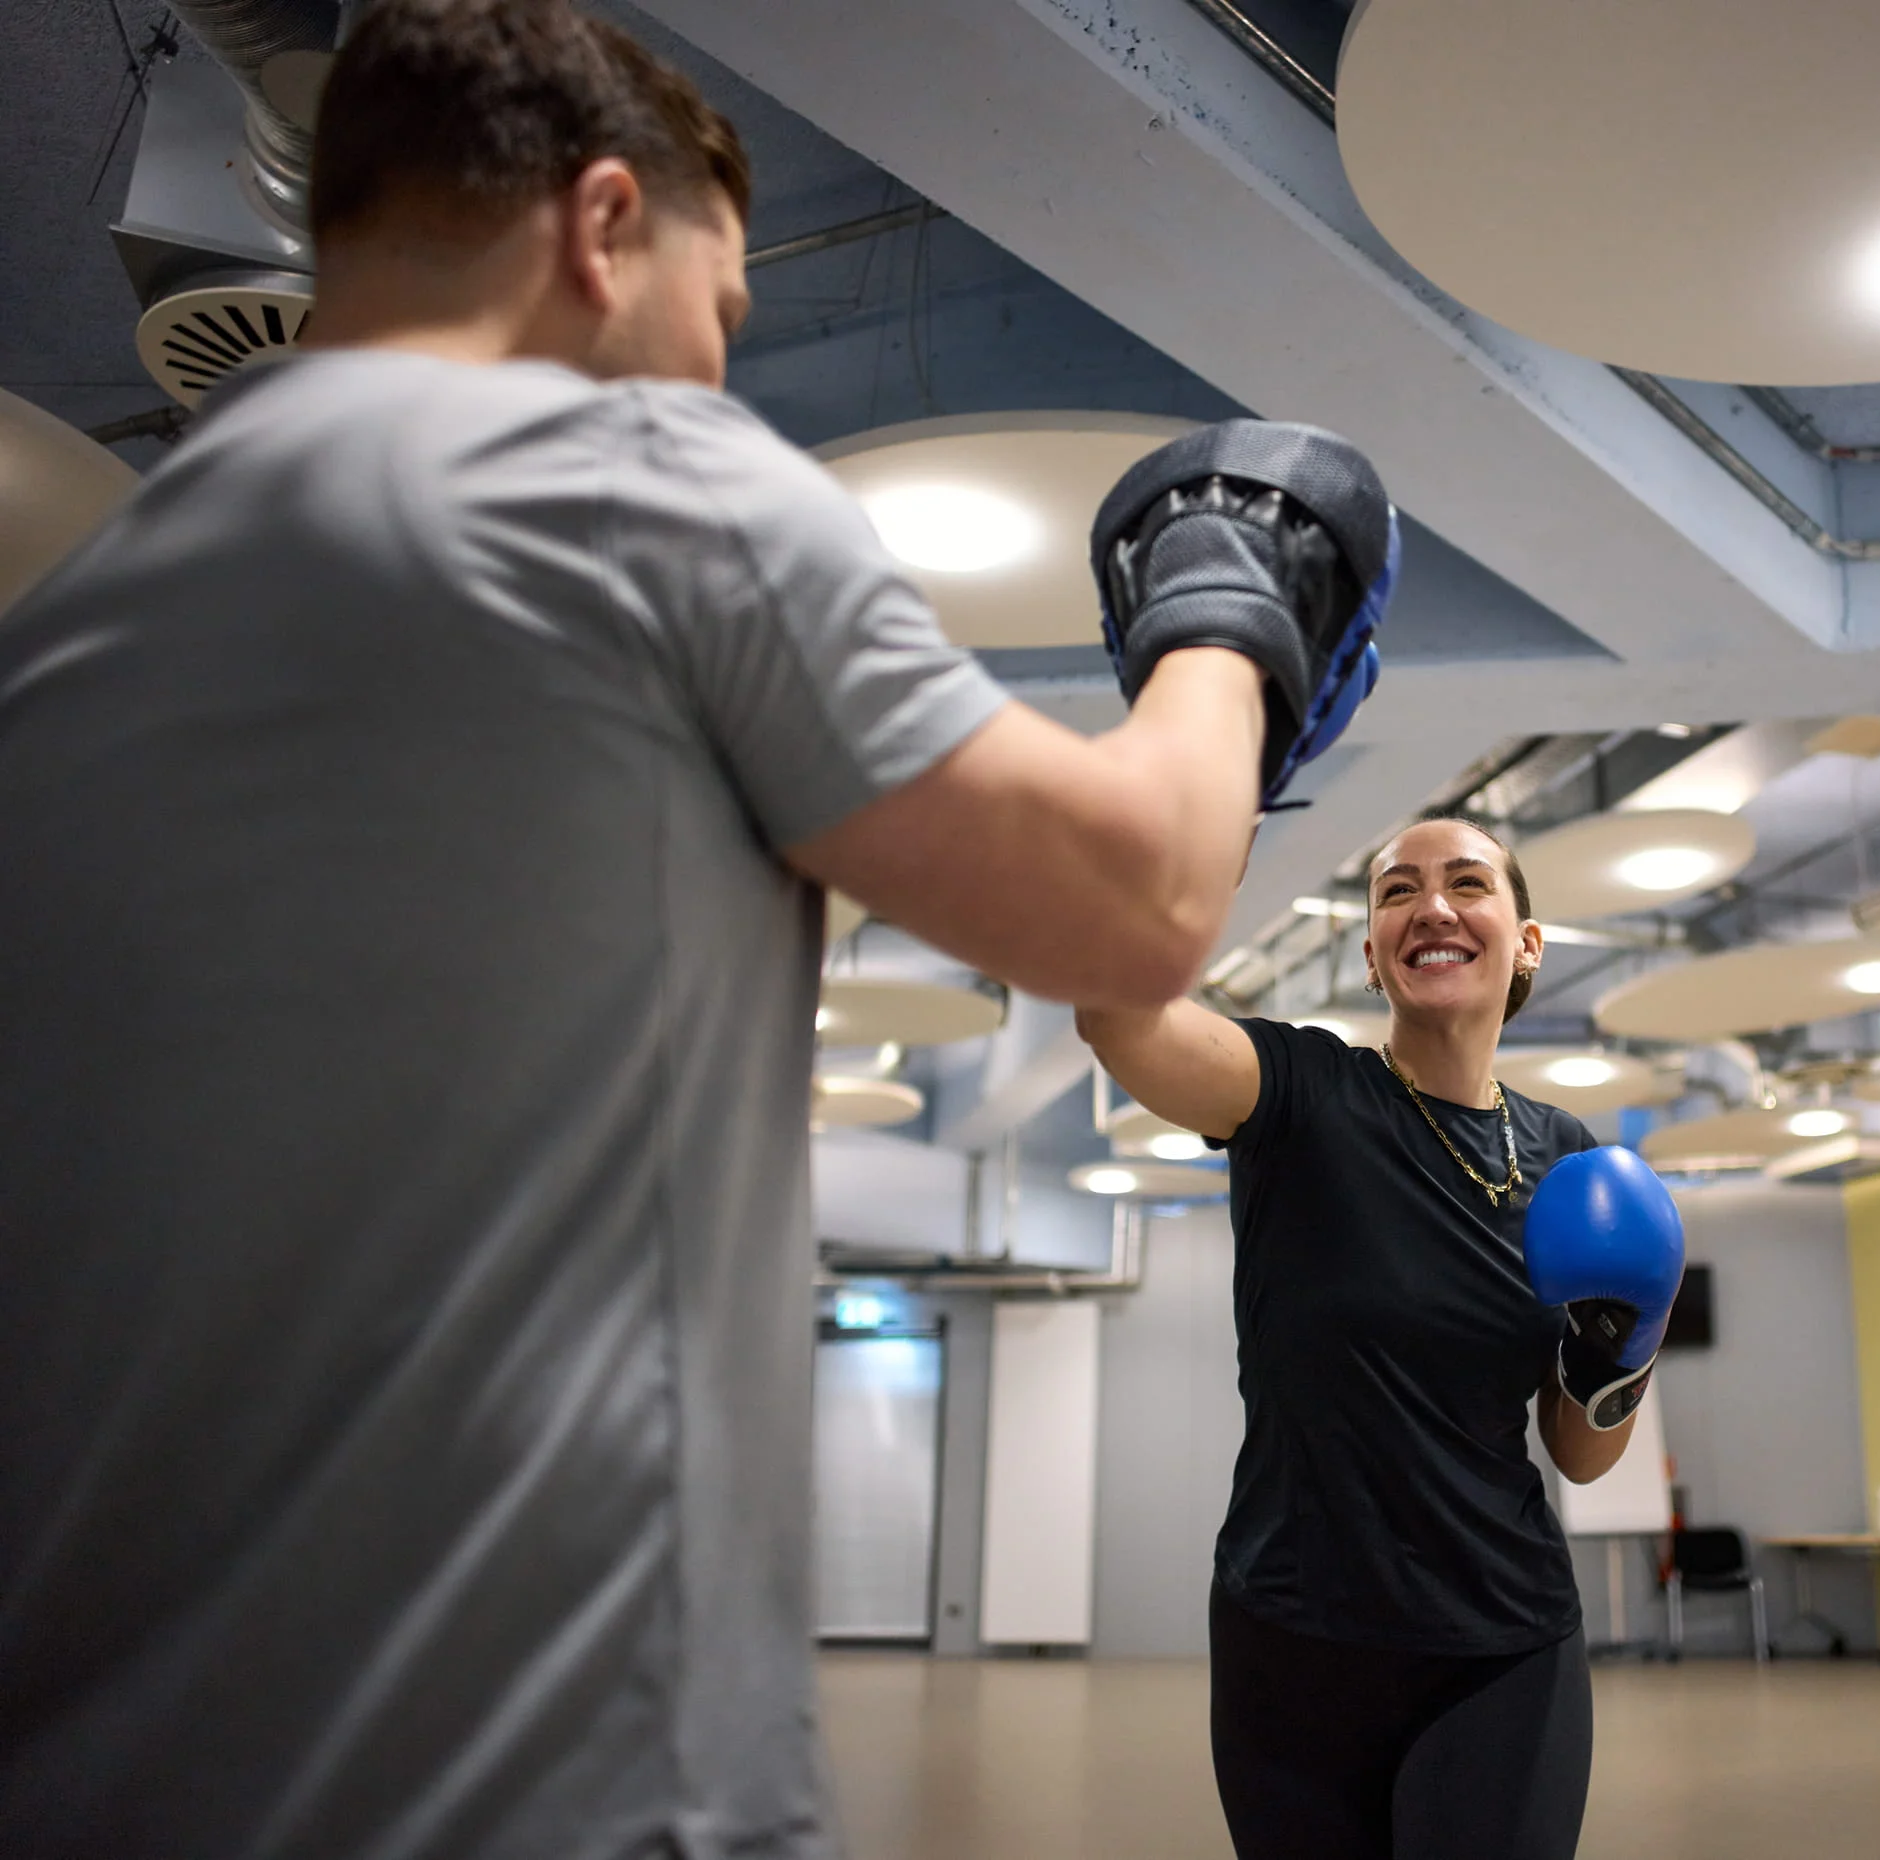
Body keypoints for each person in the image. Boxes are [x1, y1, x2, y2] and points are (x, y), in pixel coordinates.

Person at [0, 1, 1388, 1854]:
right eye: (720, 308)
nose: (717, 371)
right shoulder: (633, 481)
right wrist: (1233, 593)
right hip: (558, 1786)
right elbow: (1136, 904)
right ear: (601, 228)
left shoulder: (69, 631)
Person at [1079, 815, 1686, 1860]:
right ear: (1371, 954)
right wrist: (1200, 841)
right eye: (1398, 892)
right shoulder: (1299, 1094)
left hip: (1501, 1639)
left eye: (1466, 883)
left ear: (1526, 943)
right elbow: (1116, 1018)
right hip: (1294, 1639)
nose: (1432, 907)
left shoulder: (1569, 1160)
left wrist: (1624, 1349)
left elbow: (1580, 1456)